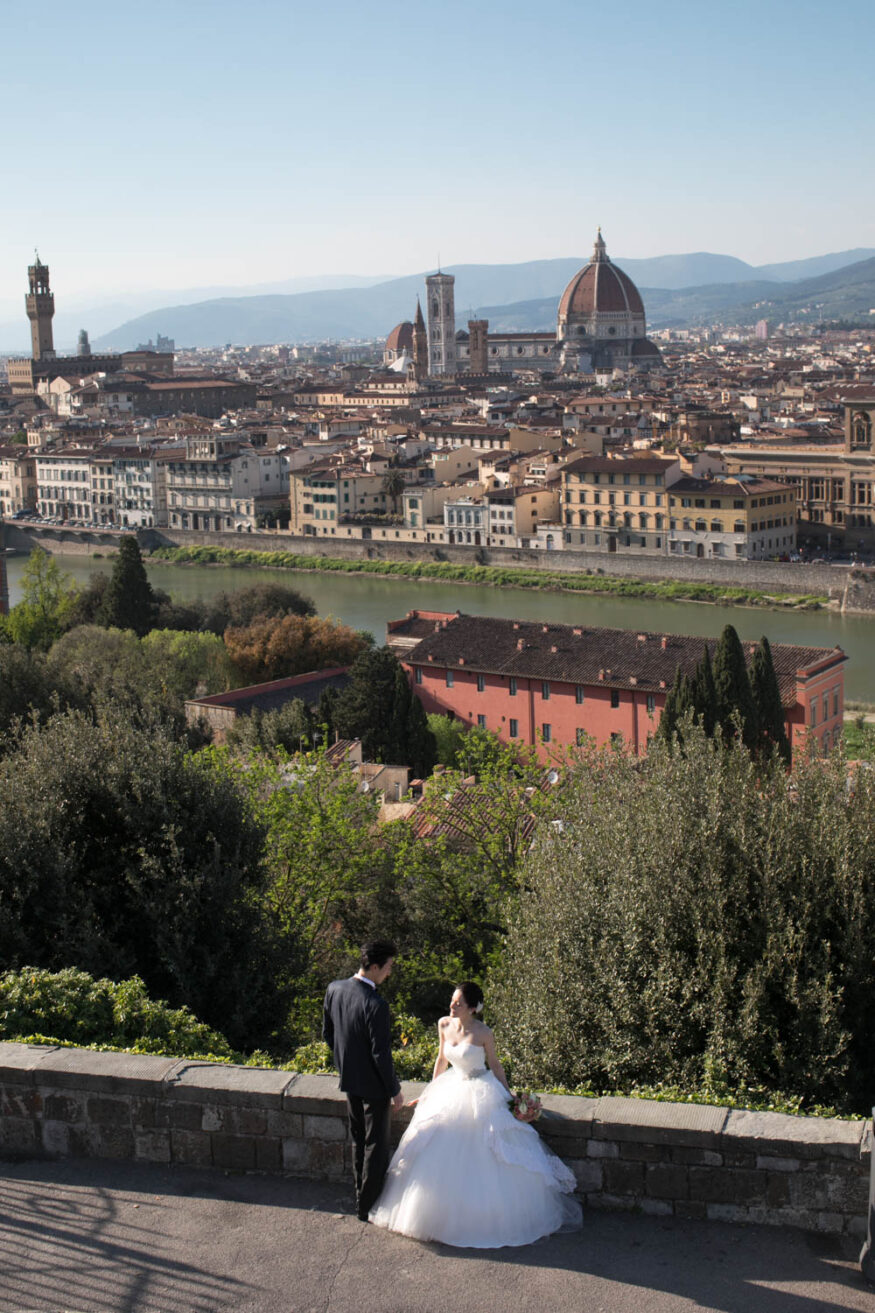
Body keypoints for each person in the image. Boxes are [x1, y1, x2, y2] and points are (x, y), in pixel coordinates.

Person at [369, 981, 582, 1247]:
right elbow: (441, 1060)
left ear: (472, 1008)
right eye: (452, 1001)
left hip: (482, 1091)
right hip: (451, 1088)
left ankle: (482, 1218)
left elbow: (494, 1065)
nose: (452, 1006)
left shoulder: (484, 1033)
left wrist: (510, 1096)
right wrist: (428, 1092)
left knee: (489, 1152)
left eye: (458, 1003)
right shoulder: (444, 1024)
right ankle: (436, 1218)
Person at [322, 939, 404, 1222]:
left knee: (358, 1141)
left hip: (349, 1079)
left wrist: (345, 1065)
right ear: (375, 966)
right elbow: (381, 1054)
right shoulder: (375, 1004)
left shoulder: (334, 989)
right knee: (376, 1147)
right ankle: (367, 1205)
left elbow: (328, 1035)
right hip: (374, 1087)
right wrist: (395, 1090)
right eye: (388, 967)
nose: (389, 973)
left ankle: (360, 1194)